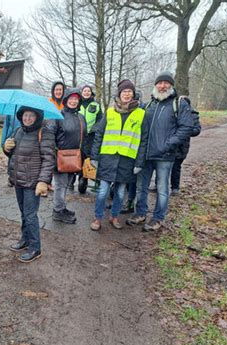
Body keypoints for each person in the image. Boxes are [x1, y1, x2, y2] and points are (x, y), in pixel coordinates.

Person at [127, 71, 193, 231]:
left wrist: (168, 144)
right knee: (141, 186)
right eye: (159, 83)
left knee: (162, 188)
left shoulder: (179, 104)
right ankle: (140, 213)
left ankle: (158, 218)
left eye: (166, 83)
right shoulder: (149, 105)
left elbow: (186, 128)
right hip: (146, 154)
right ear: (155, 85)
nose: (162, 86)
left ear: (171, 85)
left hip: (165, 155)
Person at [90, 79, 148, 231]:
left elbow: (143, 141)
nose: (127, 94)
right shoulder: (110, 112)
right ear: (119, 94)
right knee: (102, 192)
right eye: (124, 92)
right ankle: (97, 218)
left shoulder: (141, 114)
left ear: (133, 94)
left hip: (127, 160)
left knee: (120, 193)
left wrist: (139, 163)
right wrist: (94, 156)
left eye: (130, 92)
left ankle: (114, 217)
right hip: (108, 159)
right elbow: (99, 134)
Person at [4, 106, 55, 263]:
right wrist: (6, 148)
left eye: (31, 116)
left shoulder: (44, 133)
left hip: (33, 181)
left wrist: (43, 181)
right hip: (18, 179)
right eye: (25, 115)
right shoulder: (18, 131)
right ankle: (25, 239)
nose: (27, 119)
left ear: (37, 117)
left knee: (30, 215)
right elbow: (12, 154)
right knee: (23, 213)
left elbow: (49, 159)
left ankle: (35, 247)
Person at [48, 88, 88, 224]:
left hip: (75, 157)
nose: (73, 101)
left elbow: (84, 137)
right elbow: (50, 136)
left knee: (66, 185)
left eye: (76, 99)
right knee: (60, 185)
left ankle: (62, 207)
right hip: (60, 157)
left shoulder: (81, 117)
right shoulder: (57, 116)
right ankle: (57, 211)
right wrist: (54, 153)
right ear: (66, 100)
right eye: (71, 98)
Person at [71, 84, 103, 192]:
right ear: (81, 92)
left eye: (88, 91)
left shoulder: (96, 105)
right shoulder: (77, 104)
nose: (87, 93)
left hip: (91, 136)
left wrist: (95, 128)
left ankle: (83, 178)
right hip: (78, 135)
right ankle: (71, 180)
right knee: (77, 157)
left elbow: (100, 119)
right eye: (85, 91)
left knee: (87, 158)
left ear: (91, 93)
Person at [170, 99, 201, 195]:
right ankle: (157, 184)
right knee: (162, 166)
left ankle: (175, 188)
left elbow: (196, 130)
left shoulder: (192, 115)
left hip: (182, 146)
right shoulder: (173, 112)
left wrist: (184, 131)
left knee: (176, 167)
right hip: (170, 144)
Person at [1, 114, 21, 187]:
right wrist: (3, 142)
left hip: (25, 138)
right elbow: (6, 126)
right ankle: (11, 176)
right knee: (12, 158)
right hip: (12, 138)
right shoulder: (11, 111)